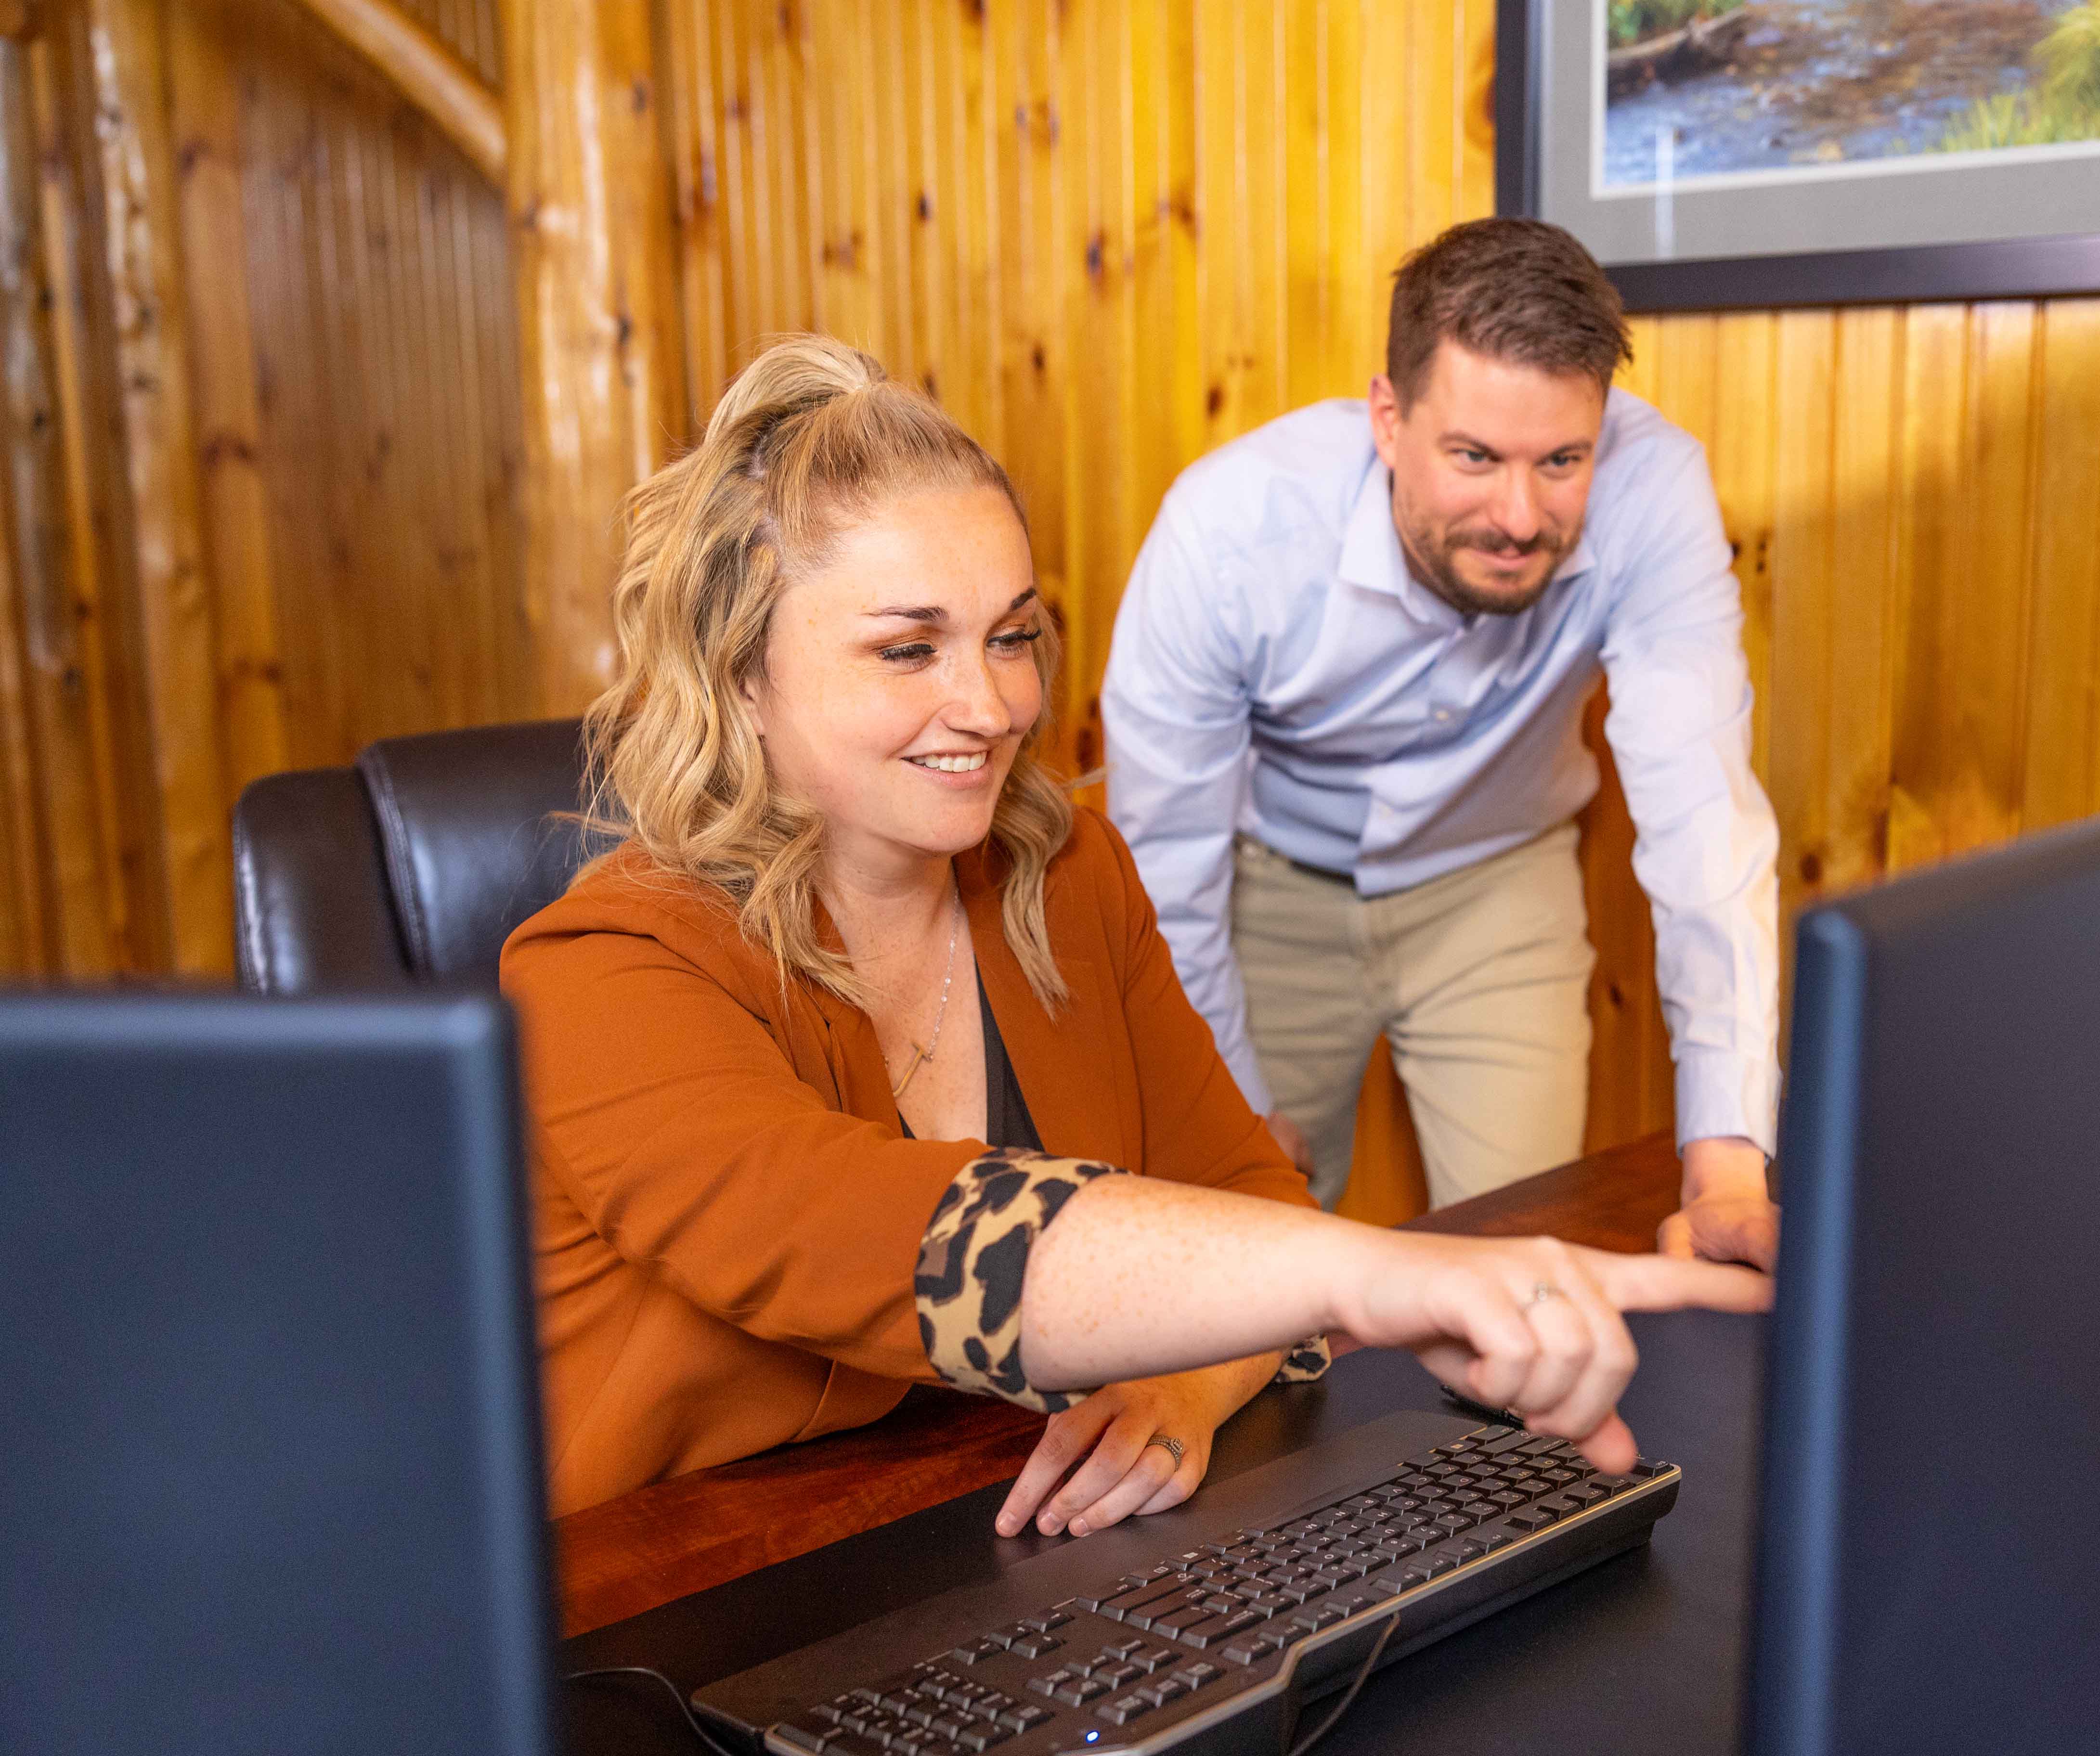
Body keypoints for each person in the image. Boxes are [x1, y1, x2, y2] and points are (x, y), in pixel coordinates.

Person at [502, 336, 1764, 1527]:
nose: (990, 705)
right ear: (740, 678)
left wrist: (1195, 1382)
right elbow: (858, 1234)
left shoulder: (1060, 871)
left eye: (1010, 638)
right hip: (667, 1616)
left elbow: (1248, 1191)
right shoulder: (602, 972)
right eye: (907, 650)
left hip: (989, 1540)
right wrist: (1371, 1277)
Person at [1102, 218, 1781, 1263]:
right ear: (1387, 417)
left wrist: (1729, 1155)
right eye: (1474, 456)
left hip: (1498, 887)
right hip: (1263, 891)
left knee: (1521, 1272)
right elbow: (1163, 859)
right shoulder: (1229, 531)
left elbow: (1705, 820)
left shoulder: (1654, 492)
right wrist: (1229, 1108)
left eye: (1562, 459)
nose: (1519, 516)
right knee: (1242, 1264)